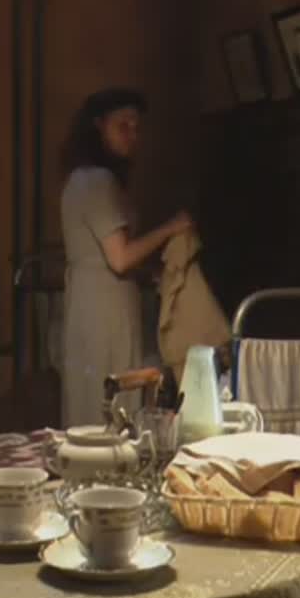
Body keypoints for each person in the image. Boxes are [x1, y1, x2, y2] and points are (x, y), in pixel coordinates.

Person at [58, 88, 192, 428]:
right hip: (103, 307)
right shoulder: (95, 181)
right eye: (123, 126)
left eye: (136, 127)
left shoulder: (86, 180)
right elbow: (119, 258)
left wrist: (149, 273)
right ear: (98, 127)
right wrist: (172, 227)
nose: (133, 135)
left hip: (96, 301)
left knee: (98, 394)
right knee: (109, 395)